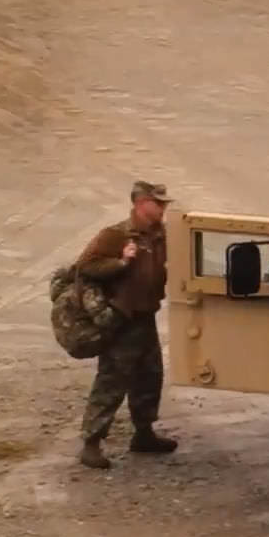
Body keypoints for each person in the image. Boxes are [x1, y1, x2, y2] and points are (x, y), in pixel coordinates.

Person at [75, 181, 178, 469]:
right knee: (112, 380)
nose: (163, 209)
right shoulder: (116, 234)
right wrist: (121, 262)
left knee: (150, 376)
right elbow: (85, 266)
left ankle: (143, 433)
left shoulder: (160, 236)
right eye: (158, 204)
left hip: (145, 316)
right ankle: (91, 442)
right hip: (122, 318)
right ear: (140, 203)